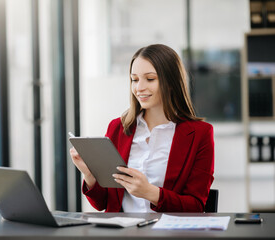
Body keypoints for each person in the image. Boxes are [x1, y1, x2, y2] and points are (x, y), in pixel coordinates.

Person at [70, 44, 214, 212]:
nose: (139, 88)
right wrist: (90, 175)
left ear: (171, 82)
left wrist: (151, 193)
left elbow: (196, 206)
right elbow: (102, 204)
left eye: (150, 79)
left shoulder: (199, 134)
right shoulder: (118, 128)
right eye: (135, 79)